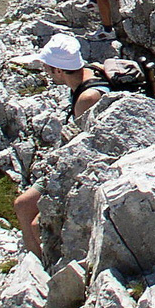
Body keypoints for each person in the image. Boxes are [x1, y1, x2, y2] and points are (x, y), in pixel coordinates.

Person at [14, 32, 111, 257]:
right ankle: (36, 265)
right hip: (74, 160)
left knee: (37, 223)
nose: (47, 72)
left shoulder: (87, 99)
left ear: (58, 70)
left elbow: (86, 149)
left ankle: (45, 269)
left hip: (84, 168)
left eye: (49, 68)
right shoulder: (91, 71)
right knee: (23, 205)